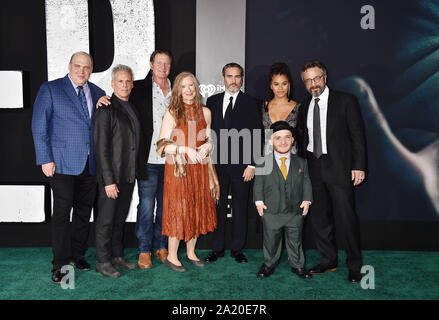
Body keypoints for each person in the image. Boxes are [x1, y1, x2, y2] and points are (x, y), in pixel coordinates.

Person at [31, 51, 105, 284]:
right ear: (69, 65)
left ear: (91, 69)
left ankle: (78, 255)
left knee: (84, 213)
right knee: (62, 215)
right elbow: (38, 125)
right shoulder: (50, 89)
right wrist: (45, 159)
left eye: (86, 67)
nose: (82, 71)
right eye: (78, 66)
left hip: (90, 163)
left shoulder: (98, 92)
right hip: (61, 163)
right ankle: (60, 265)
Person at [97, 50, 172, 269]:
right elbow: (103, 142)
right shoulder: (137, 88)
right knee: (146, 207)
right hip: (145, 162)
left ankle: (160, 246)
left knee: (165, 207)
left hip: (168, 162)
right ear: (151, 64)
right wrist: (99, 97)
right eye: (159, 63)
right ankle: (143, 251)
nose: (163, 67)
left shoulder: (177, 89)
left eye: (167, 63)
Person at [296, 60, 367, 283]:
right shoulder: (304, 105)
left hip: (339, 168)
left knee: (346, 218)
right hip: (313, 168)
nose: (313, 83)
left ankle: (355, 265)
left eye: (316, 78)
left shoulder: (346, 101)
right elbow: (302, 139)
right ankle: (328, 260)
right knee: (319, 218)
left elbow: (357, 136)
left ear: (325, 77)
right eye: (308, 80)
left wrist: (359, 165)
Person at [156, 72, 218, 272]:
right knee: (179, 211)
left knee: (196, 208)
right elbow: (161, 145)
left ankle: (191, 252)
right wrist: (185, 149)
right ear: (178, 90)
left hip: (200, 169)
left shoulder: (206, 112)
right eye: (184, 86)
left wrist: (208, 146)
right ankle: (172, 256)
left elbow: (208, 139)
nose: (189, 90)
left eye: (191, 85)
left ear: (196, 87)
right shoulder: (172, 112)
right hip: (179, 170)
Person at [204, 63, 263, 264]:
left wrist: (253, 165)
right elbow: (207, 134)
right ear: (223, 78)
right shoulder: (211, 101)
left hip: (242, 166)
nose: (233, 81)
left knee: (240, 207)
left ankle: (237, 249)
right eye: (229, 76)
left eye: (237, 76)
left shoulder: (252, 103)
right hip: (217, 165)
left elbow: (258, 135)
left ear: (242, 78)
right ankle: (217, 248)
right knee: (216, 206)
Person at [93, 65, 147, 278]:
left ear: (132, 84)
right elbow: (101, 148)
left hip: (127, 175)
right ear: (113, 84)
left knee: (119, 219)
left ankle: (116, 256)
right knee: (106, 220)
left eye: (128, 82)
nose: (124, 85)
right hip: (112, 178)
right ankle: (103, 261)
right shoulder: (105, 109)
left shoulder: (131, 107)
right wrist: (108, 181)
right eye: (120, 82)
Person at [254, 121, 312, 279]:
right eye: (278, 138)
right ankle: (269, 264)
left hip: (295, 211)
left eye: (287, 137)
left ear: (293, 140)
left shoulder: (301, 162)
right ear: (271, 141)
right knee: (271, 240)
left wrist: (307, 200)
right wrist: (258, 201)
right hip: (271, 211)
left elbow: (306, 181)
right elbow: (258, 184)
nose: (283, 142)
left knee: (295, 239)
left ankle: (298, 265)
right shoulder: (262, 162)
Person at [262, 62, 300, 130]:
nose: (280, 88)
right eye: (276, 84)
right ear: (271, 85)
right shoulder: (262, 108)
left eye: (284, 84)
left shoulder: (298, 108)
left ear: (289, 85)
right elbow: (257, 134)